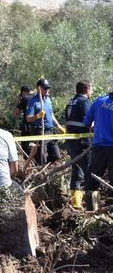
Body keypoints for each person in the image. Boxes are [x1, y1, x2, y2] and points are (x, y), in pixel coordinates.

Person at [82, 91, 113, 211]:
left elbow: (86, 122)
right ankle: (110, 211)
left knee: (93, 179)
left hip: (99, 147)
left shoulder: (99, 101)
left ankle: (91, 211)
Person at [64, 80, 92, 209]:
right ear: (87, 89)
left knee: (77, 169)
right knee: (89, 170)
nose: (91, 92)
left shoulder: (71, 102)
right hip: (81, 143)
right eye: (91, 89)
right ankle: (92, 204)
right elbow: (89, 122)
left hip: (70, 142)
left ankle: (76, 203)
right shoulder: (84, 102)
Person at [26, 79, 65, 165]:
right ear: (39, 89)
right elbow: (28, 118)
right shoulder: (33, 101)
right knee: (41, 158)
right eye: (45, 88)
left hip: (50, 131)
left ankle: (49, 171)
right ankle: (41, 175)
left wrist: (58, 125)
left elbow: (51, 115)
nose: (47, 90)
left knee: (55, 155)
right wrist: (37, 116)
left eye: (48, 88)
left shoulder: (48, 99)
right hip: (40, 132)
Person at [14, 85, 35, 155]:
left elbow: (16, 113)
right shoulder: (36, 97)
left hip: (28, 128)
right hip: (39, 127)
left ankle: (30, 163)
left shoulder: (25, 99)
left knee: (27, 148)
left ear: (23, 92)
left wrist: (18, 100)